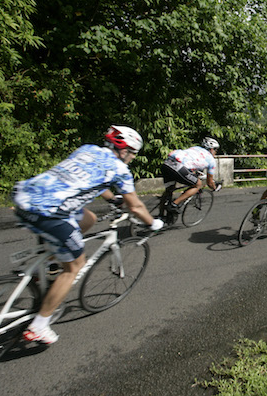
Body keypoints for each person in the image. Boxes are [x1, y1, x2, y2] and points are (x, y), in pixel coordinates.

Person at [12, 125, 164, 345]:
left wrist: (112, 198)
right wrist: (153, 223)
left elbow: (90, 181)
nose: (132, 158)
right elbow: (137, 207)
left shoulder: (88, 150)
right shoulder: (119, 170)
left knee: (88, 219)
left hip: (25, 197)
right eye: (132, 153)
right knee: (75, 266)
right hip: (50, 212)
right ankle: (39, 326)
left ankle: (43, 266)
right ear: (123, 150)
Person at [160, 137, 221, 221]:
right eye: (215, 150)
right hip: (179, 167)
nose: (215, 152)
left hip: (167, 164)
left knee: (169, 190)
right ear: (211, 149)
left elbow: (191, 164)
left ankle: (161, 215)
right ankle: (174, 204)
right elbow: (209, 182)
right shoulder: (211, 160)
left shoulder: (195, 148)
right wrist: (215, 187)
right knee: (197, 185)